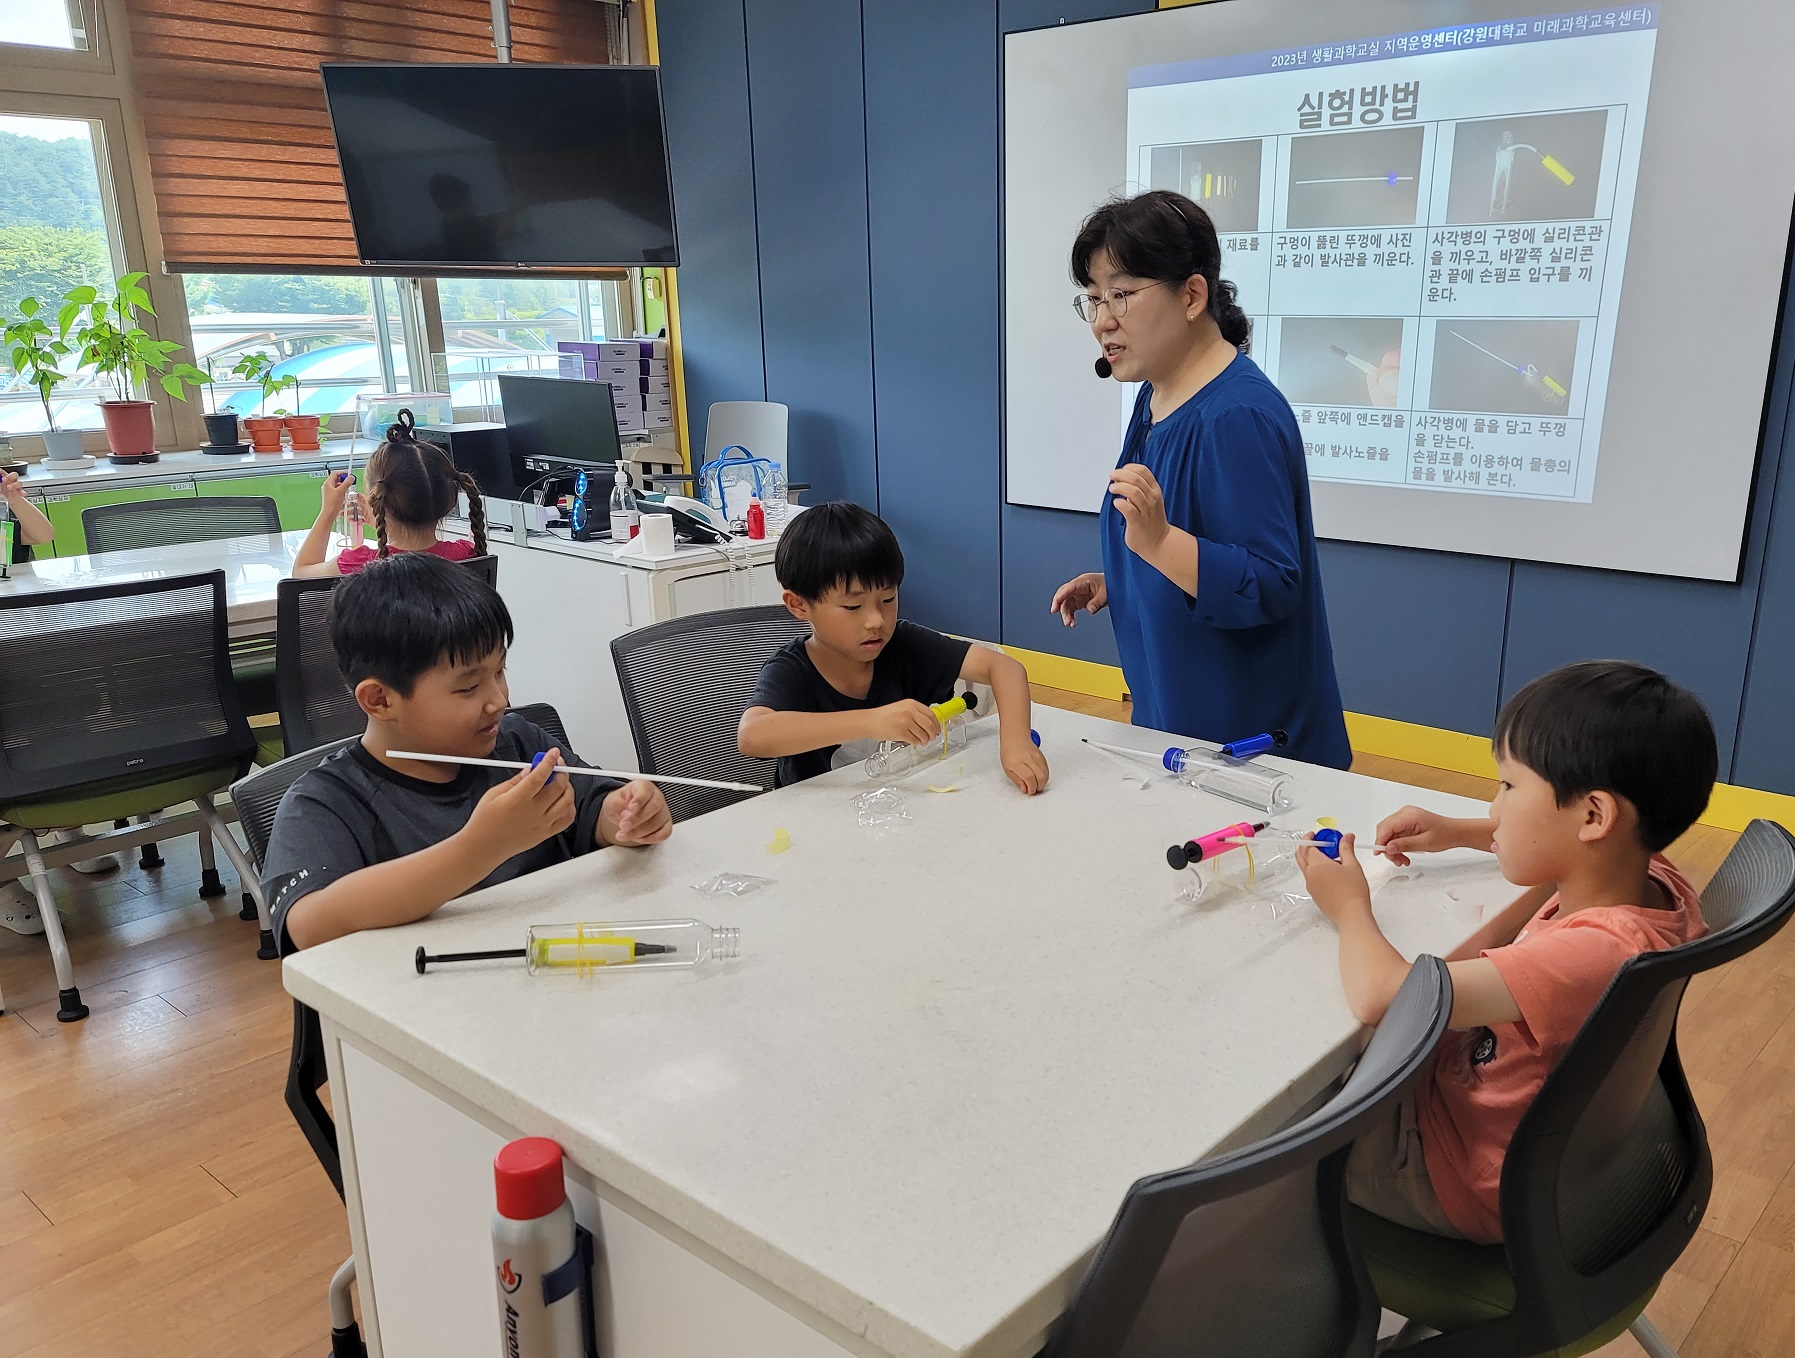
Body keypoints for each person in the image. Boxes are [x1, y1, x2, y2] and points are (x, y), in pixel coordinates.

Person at [1295, 661, 1716, 1243]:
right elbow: (1571, 853)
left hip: (1448, 1171)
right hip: (1496, 1133)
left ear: (1594, 815)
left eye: (1509, 787)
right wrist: (1460, 831)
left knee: (1274, 1124)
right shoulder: (1653, 881)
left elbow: (1382, 997)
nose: (1495, 807)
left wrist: (1348, 907)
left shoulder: (1590, 959)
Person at [1049, 189, 1351, 769]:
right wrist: (1130, 576)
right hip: (1180, 729)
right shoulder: (1155, 392)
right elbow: (1184, 533)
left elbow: (1270, 583)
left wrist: (1160, 547)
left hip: (1250, 757)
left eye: (1122, 295)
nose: (1102, 323)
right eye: (1093, 300)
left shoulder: (1236, 415)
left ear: (1191, 295)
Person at [262, 553, 671, 953]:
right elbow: (308, 925)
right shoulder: (325, 804)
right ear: (380, 700)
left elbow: (592, 806)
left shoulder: (517, 745)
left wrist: (622, 816)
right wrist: (480, 848)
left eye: (500, 671)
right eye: (468, 687)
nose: (499, 700)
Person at [739, 501, 1049, 795]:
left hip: (894, 811)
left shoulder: (902, 645)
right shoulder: (792, 670)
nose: (875, 620)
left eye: (887, 599)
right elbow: (753, 736)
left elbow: (1004, 667)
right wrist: (872, 721)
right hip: (815, 828)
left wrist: (1017, 742)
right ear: (799, 605)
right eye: (853, 606)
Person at [1, 471, 117, 938]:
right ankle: (6, 881)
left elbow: (44, 535)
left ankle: (68, 825)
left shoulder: (6, 516)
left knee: (73, 708)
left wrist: (14, 499)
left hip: (26, 641)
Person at [291, 416, 486, 579]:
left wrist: (328, 511)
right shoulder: (466, 554)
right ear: (449, 501)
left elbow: (301, 573)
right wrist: (381, 520)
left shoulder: (361, 563)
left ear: (376, 497)